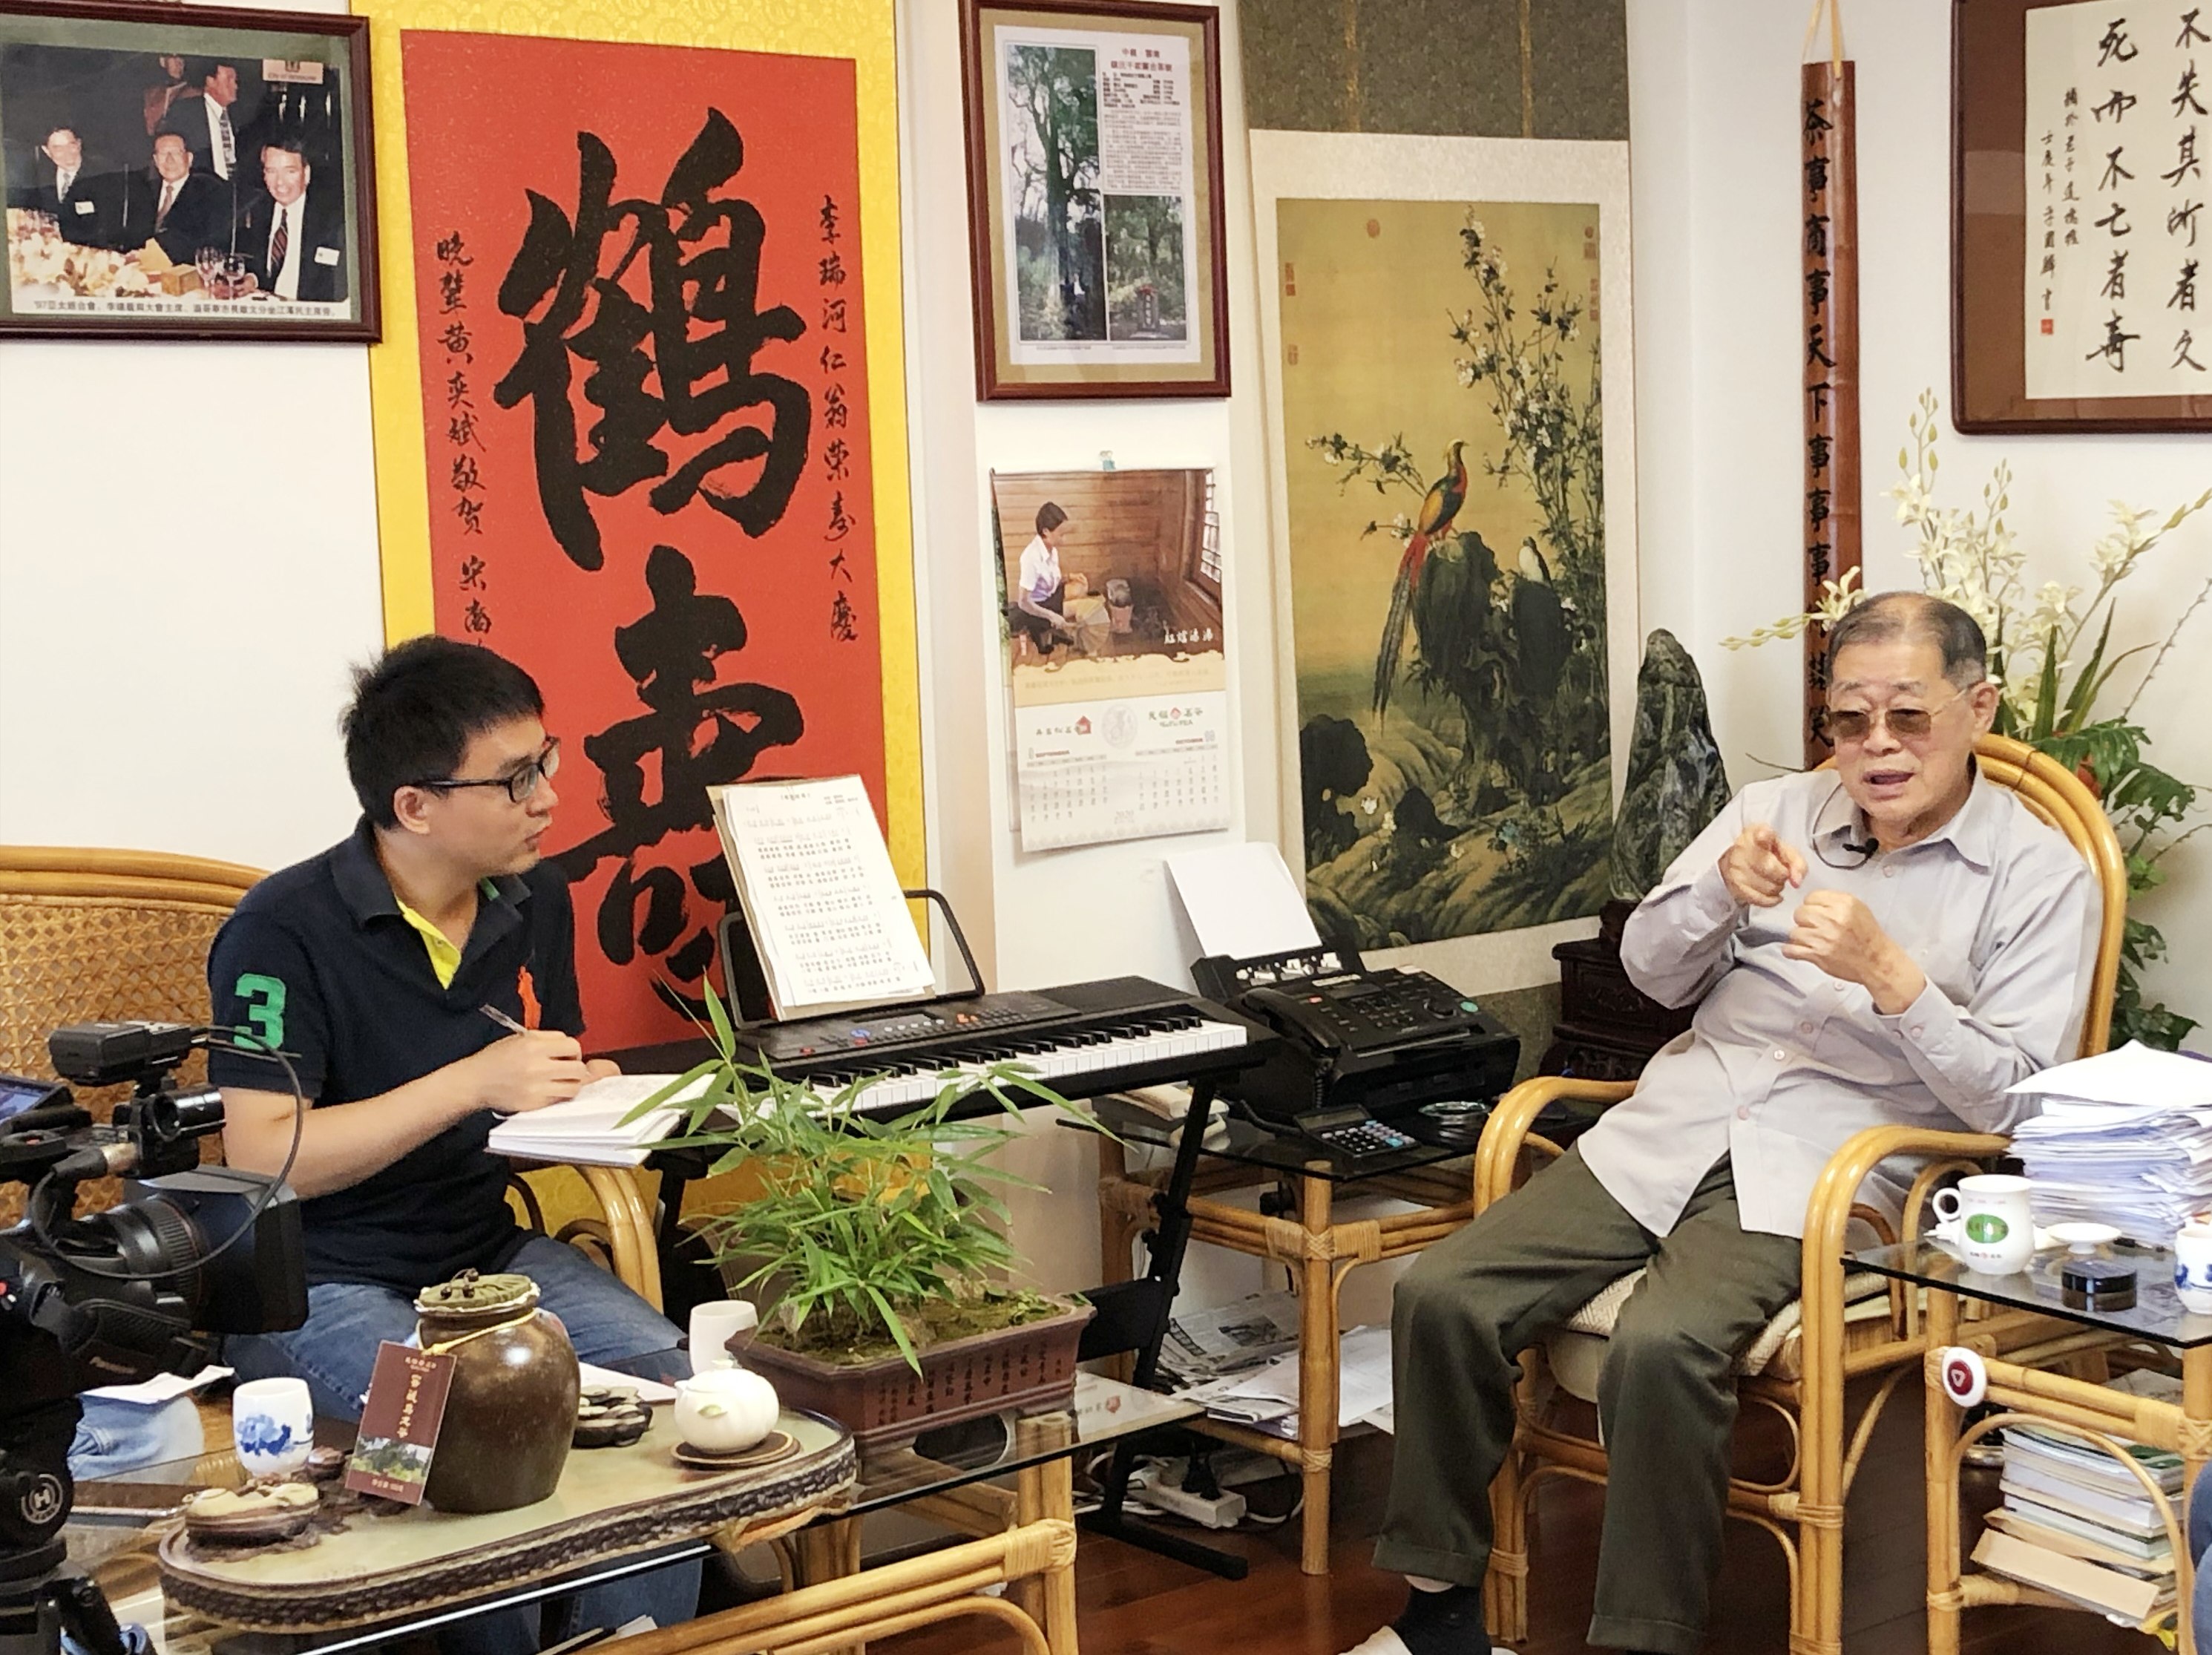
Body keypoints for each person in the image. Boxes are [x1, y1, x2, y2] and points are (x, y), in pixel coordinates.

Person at [1340, 592, 2098, 1655]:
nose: (1876, 746)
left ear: (1978, 708)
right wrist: (1715, 898)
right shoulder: (1775, 811)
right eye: (1849, 719)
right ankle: (1439, 1614)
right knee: (1439, 1292)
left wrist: (1893, 979)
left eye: (1908, 716)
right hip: (1672, 1123)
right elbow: (1649, 976)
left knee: (1662, 1343)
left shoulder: (2038, 875)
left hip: (1832, 1167)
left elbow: (2017, 1103)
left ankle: (1643, 1639)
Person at [210, 636, 695, 1650]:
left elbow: (521, 1080)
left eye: (546, 761)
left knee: (666, 1393)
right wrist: (470, 1083)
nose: (547, 798)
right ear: (415, 805)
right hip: (314, 1281)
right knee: (458, 1435)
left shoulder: (531, 896)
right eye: (515, 778)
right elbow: (262, 1157)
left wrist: (574, 1094)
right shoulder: (280, 930)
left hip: (479, 1258)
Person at [232, 138, 346, 302]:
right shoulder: (260, 210)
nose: (280, 182)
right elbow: (261, 263)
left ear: (306, 174)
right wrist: (252, 279)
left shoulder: (332, 221)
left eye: (290, 172)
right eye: (271, 171)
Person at [27, 127, 129, 247]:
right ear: (47, 151)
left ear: (79, 145)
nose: (68, 155)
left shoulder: (102, 177)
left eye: (71, 146)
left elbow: (110, 227)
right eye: (58, 149)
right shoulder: (41, 176)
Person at [138, 132, 226, 266]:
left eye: (176, 153)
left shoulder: (208, 192)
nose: (169, 160)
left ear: (189, 158)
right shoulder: (144, 191)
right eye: (163, 154)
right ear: (155, 160)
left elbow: (199, 241)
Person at [158, 59, 243, 184]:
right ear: (210, 81)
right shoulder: (185, 112)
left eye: (235, 80)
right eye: (229, 79)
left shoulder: (239, 116)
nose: (235, 86)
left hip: (233, 189)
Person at [1011, 501, 1077, 657]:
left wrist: (1070, 578)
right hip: (1037, 607)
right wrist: (1051, 615)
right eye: (1061, 535)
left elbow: (1051, 581)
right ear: (1046, 531)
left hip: (1050, 596)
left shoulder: (1052, 551)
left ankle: (1055, 631)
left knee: (1079, 589)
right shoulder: (1031, 558)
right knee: (1073, 609)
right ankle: (1044, 632)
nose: (1064, 540)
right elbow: (1024, 602)